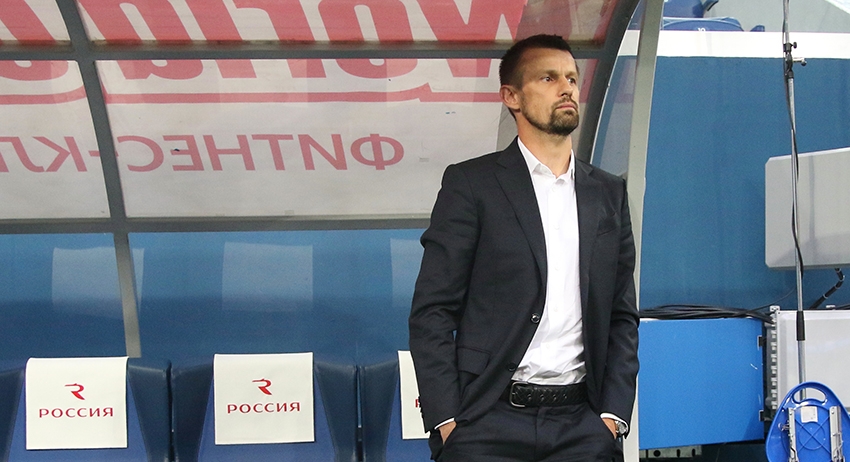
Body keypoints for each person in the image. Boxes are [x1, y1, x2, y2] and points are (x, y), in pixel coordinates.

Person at [408, 34, 639, 462]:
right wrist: (447, 419)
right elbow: (432, 310)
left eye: (571, 78)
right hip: (486, 423)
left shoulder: (608, 193)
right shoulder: (471, 185)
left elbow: (622, 313)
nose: (566, 88)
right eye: (548, 78)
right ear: (511, 97)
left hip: (583, 428)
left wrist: (612, 417)